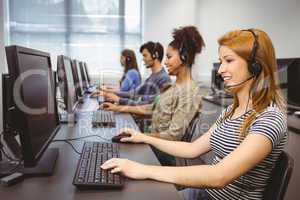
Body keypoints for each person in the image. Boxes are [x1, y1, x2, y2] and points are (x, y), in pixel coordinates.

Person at [101, 28, 288, 200]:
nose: (221, 69)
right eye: (221, 61)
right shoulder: (231, 110)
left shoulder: (269, 119)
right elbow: (193, 149)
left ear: (255, 66)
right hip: (205, 194)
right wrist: (143, 137)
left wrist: (142, 169)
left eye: (229, 61)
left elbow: (218, 176)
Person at [101, 26, 204, 142]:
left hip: (162, 152)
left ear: (184, 57)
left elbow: (173, 136)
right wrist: (118, 107)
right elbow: (151, 108)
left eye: (169, 57)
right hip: (152, 141)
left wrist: (141, 136)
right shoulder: (173, 87)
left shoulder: (189, 92)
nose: (165, 61)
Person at [94, 42, 171, 105]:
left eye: (145, 55)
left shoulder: (163, 78)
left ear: (155, 55)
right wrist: (107, 93)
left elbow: (148, 105)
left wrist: (118, 99)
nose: (143, 59)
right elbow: (134, 93)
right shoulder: (152, 76)